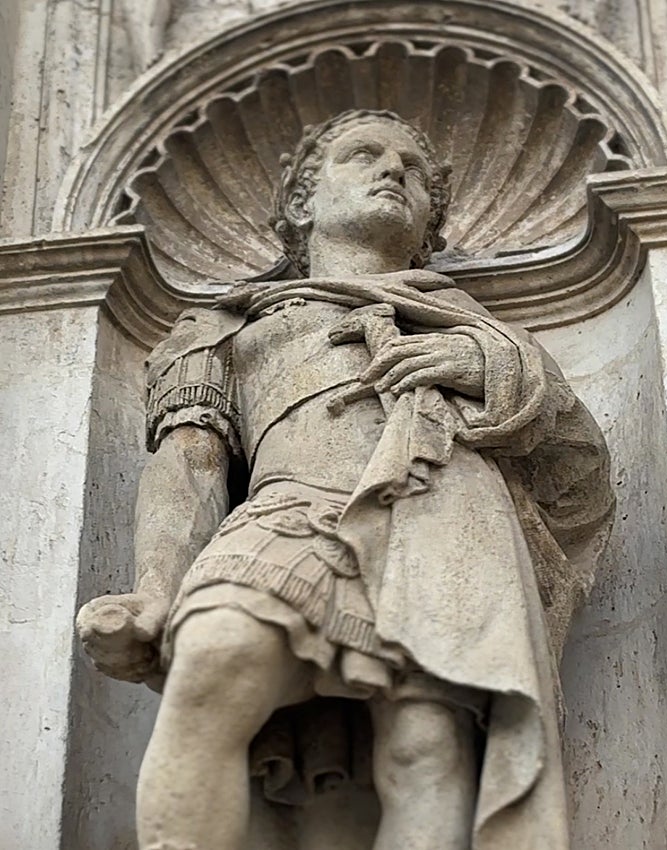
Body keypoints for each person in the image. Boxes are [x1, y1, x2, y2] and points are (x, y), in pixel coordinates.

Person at [77, 109, 614, 850]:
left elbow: (579, 473)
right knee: (215, 655)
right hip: (290, 509)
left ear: (432, 220)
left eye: (413, 169)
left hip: (444, 521)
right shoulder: (225, 328)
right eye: (363, 155)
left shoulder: (469, 326)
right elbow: (190, 462)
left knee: (425, 746)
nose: (392, 170)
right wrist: (156, 590)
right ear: (303, 201)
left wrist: (484, 369)